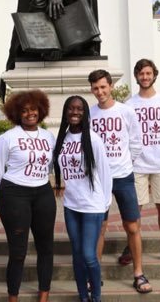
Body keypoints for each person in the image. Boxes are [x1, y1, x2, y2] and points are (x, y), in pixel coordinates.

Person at [88, 69, 152, 293]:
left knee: (132, 226)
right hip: (99, 180)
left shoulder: (126, 112)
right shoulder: (90, 114)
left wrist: (126, 163)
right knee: (99, 228)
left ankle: (139, 273)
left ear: (111, 86)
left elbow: (136, 142)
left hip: (123, 176)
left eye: (103, 87)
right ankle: (95, 276)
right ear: (91, 89)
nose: (100, 91)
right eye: (95, 88)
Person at [0, 90, 56, 302]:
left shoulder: (48, 136)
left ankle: (43, 296)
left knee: (46, 247)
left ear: (41, 110)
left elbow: (52, 167)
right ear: (17, 114)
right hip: (15, 195)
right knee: (18, 251)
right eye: (25, 111)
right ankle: (13, 297)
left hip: (43, 194)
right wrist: (1, 203)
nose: (30, 114)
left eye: (34, 109)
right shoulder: (7, 138)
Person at [53, 96, 111, 302]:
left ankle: (96, 296)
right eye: (71, 109)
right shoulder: (61, 139)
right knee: (77, 255)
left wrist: (105, 206)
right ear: (65, 113)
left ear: (85, 113)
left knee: (88, 255)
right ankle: (82, 296)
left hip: (92, 206)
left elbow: (105, 174)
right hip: (71, 205)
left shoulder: (93, 139)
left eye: (79, 109)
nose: (75, 112)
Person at [125, 59, 160, 265]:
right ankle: (131, 245)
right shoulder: (129, 105)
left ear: (154, 75)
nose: (145, 77)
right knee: (135, 207)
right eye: (141, 74)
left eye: (148, 73)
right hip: (138, 164)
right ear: (136, 76)